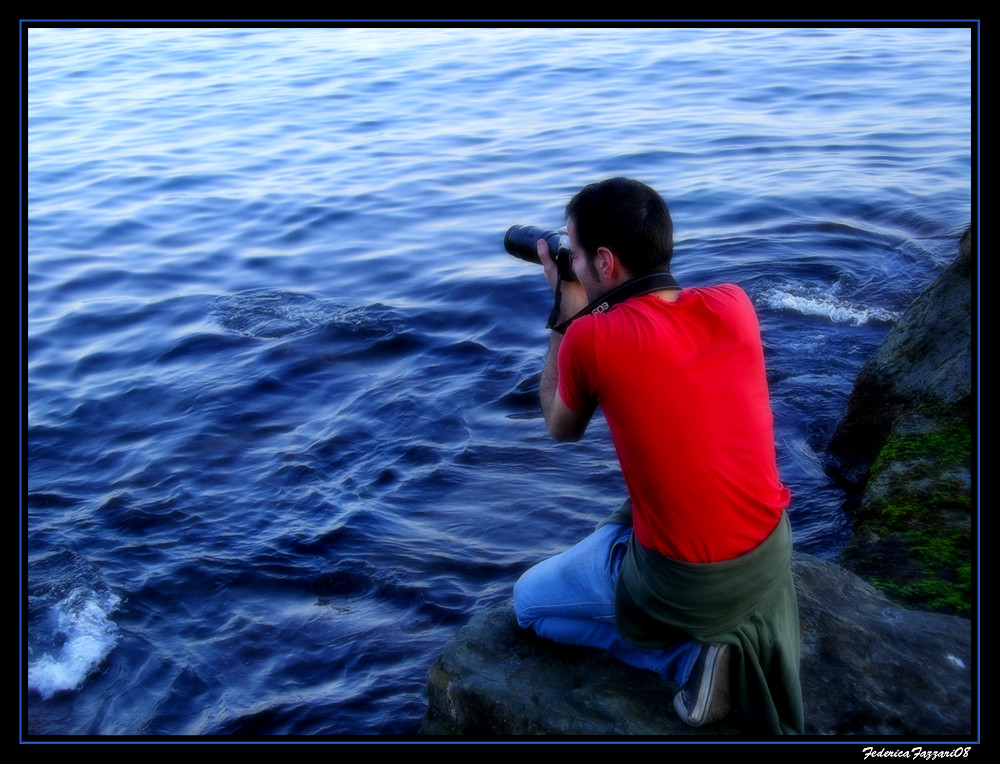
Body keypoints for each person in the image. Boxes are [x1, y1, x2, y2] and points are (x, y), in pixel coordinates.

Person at [512, 177, 804, 734]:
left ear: (604, 259)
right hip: (769, 551)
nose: (567, 263)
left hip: (688, 585)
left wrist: (563, 315)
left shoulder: (591, 338)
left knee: (529, 604)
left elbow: (559, 426)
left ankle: (693, 659)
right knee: (629, 513)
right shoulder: (735, 304)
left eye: (573, 253)